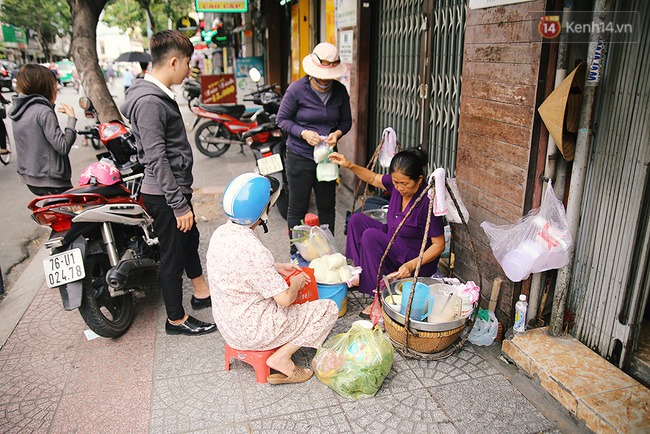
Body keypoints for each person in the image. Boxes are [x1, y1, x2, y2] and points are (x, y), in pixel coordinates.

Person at [120, 30, 216, 336]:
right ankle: (175, 319)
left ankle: (202, 293)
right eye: (188, 62)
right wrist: (177, 204)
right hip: (164, 194)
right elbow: (156, 158)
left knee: (189, 239)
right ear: (174, 62)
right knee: (173, 254)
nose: (190, 69)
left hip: (172, 190)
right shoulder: (149, 101)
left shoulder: (155, 95)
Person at [207, 173, 339, 384]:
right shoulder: (253, 249)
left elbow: (239, 270)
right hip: (254, 332)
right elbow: (285, 299)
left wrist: (276, 267)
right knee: (328, 308)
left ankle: (277, 352)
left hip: (228, 326)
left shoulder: (220, 234)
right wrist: (295, 283)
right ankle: (282, 358)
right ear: (262, 211)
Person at [328, 148, 446, 318]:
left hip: (412, 258)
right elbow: (373, 178)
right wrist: (349, 165)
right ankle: (362, 272)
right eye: (396, 182)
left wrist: (412, 265)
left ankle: (377, 297)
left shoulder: (426, 202)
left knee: (370, 236)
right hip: (394, 240)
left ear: (419, 180)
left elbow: (439, 245)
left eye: (404, 184)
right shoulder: (397, 186)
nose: (398, 188)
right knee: (356, 220)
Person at [276, 42, 352, 256]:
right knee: (297, 208)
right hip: (299, 156)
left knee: (327, 206)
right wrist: (303, 133)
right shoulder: (297, 90)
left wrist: (337, 134)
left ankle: (327, 249)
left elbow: (346, 121)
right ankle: (297, 251)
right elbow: (282, 120)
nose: (325, 80)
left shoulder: (339, 91)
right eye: (321, 75)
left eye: (329, 76)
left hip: (327, 158)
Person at [9, 64, 77, 196]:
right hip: (53, 181)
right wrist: (71, 119)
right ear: (44, 86)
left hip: (31, 180)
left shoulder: (18, 110)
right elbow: (62, 147)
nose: (56, 88)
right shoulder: (43, 111)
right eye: (53, 84)